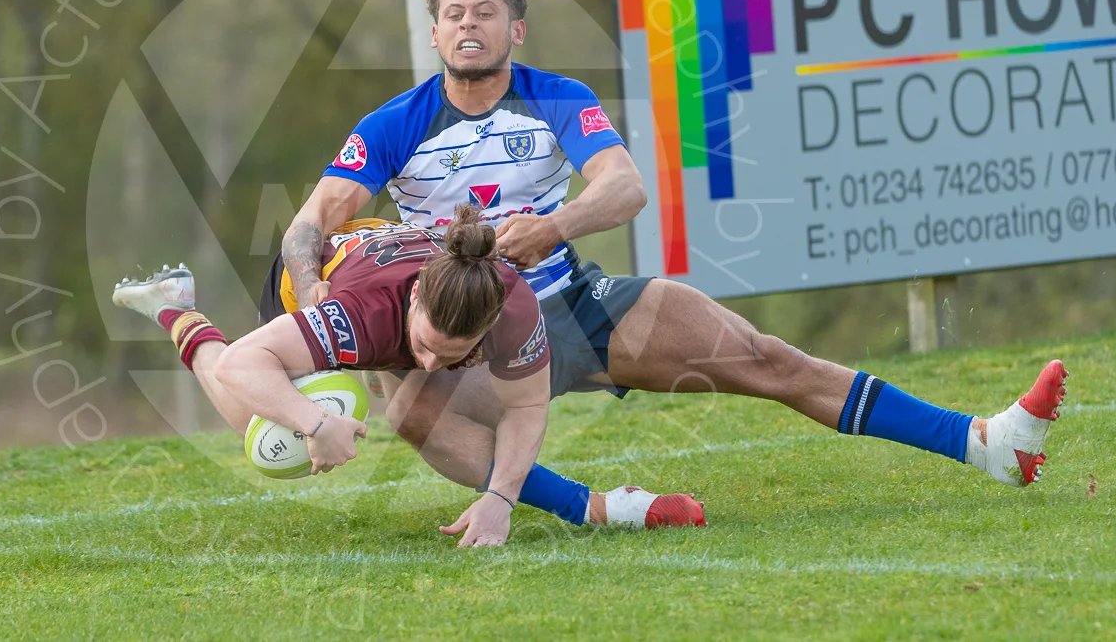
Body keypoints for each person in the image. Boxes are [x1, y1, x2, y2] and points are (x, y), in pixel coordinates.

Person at [274, 0, 1071, 536]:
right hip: (474, 341)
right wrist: (312, 291)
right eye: (453, 14)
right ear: (437, 31)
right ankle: (604, 510)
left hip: (574, 305)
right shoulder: (394, 125)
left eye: (485, 12)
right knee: (413, 405)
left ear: (515, 27)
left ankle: (986, 443)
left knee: (771, 360)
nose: (468, 25)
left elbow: (624, 189)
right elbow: (309, 223)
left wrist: (552, 228)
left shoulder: (556, 97)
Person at [113, 208, 698, 547]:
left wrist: (499, 498)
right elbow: (246, 364)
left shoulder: (511, 306)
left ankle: (597, 507)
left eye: (453, 355)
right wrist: (315, 422)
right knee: (266, 435)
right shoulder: (358, 317)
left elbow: (527, 408)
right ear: (415, 302)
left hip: (395, 274)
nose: (430, 366)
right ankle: (176, 305)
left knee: (418, 408)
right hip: (324, 282)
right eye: (424, 347)